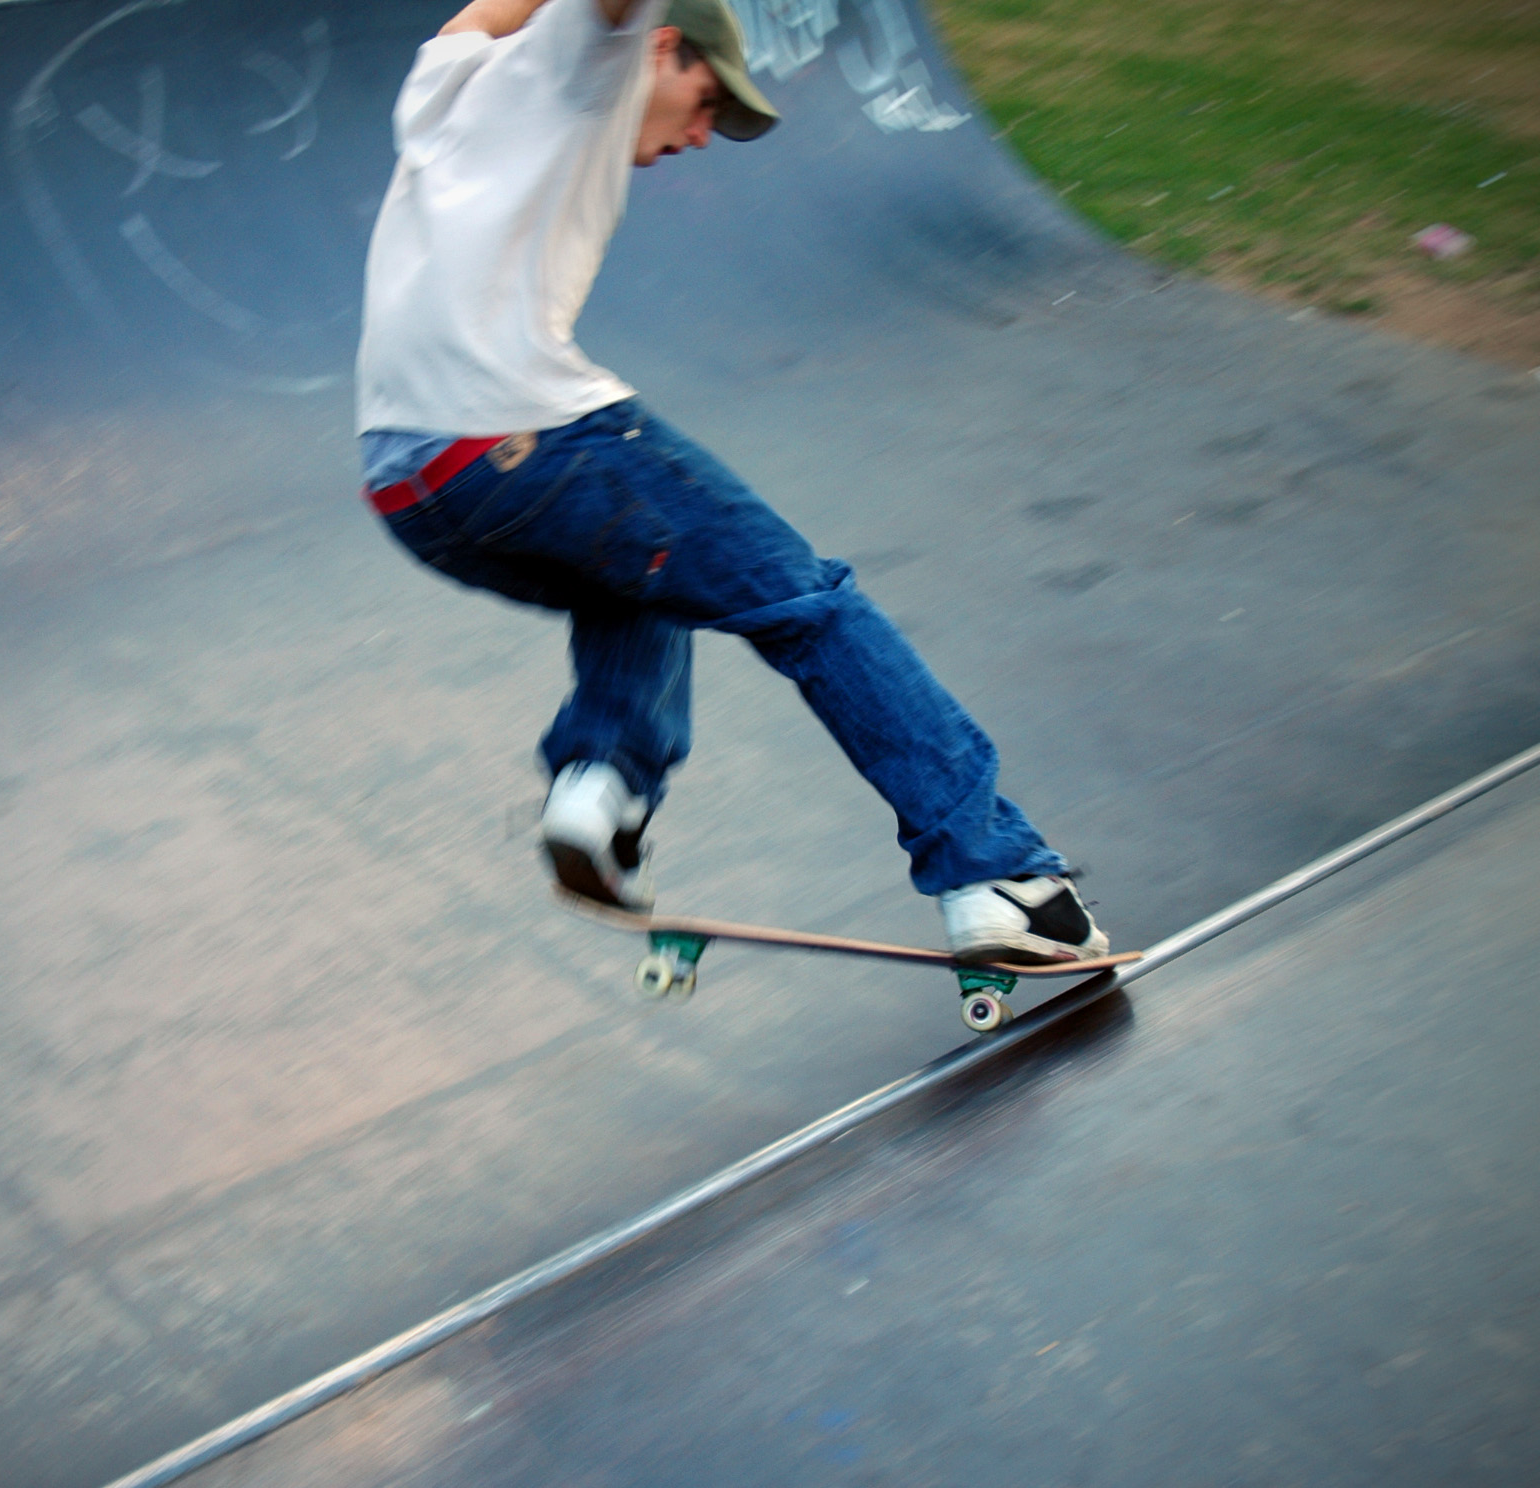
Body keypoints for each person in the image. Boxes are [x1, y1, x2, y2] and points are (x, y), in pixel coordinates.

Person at [355, 0, 1107, 965]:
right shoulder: (591, 58)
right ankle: (998, 874)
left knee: (642, 569)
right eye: (706, 100)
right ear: (660, 49)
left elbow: (479, 14)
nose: (702, 135)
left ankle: (603, 784)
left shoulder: (447, 83)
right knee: (812, 608)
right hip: (524, 433)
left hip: (415, 488)